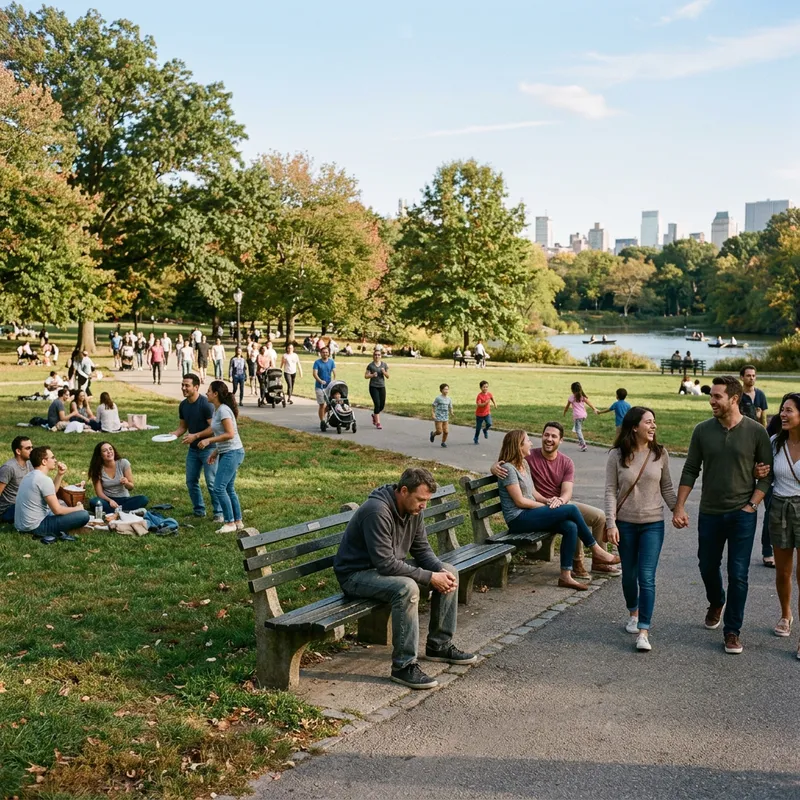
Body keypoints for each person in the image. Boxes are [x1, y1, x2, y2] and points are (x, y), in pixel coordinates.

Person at [334, 467, 476, 689]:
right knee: (407, 588)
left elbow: (422, 550)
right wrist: (430, 578)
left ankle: (439, 645)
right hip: (356, 575)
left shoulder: (413, 511)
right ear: (403, 491)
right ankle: (403, 666)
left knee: (450, 570)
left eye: (426, 500)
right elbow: (386, 563)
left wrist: (439, 570)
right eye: (420, 499)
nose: (423, 505)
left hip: (383, 571)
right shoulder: (377, 511)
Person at [672, 375, 773, 655]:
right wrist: (679, 506)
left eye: (717, 396)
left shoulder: (756, 432)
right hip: (710, 513)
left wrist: (751, 505)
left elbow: (766, 476)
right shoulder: (702, 430)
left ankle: (732, 631)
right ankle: (716, 600)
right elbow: (691, 469)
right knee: (706, 565)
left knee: (738, 574)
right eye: (711, 395)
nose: (711, 400)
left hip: (743, 514)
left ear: (734, 399)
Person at [490, 421, 621, 578]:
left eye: (553, 436)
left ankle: (575, 572)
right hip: (527, 513)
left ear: (561, 440)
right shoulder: (523, 461)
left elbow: (556, 492)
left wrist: (552, 501)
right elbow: (517, 495)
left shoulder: (535, 462)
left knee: (582, 521)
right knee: (572, 511)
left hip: (551, 505)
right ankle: (590, 554)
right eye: (546, 435)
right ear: (520, 445)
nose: (548, 439)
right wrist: (493, 467)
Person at [604, 407, 679, 652]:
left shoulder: (660, 454)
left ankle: (644, 631)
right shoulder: (617, 455)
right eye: (649, 422)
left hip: (652, 524)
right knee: (629, 576)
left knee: (646, 577)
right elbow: (610, 491)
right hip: (625, 524)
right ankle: (633, 613)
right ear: (635, 427)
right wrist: (611, 523)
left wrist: (677, 510)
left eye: (654, 422)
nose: (653, 426)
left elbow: (667, 487)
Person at [767, 392, 800, 649]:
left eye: (789, 410)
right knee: (783, 571)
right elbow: (764, 472)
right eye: (782, 409)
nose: (783, 414)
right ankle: (786, 614)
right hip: (779, 507)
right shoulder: (775, 442)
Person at [169, 373, 223, 522]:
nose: (183, 388)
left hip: (209, 448)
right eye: (182, 385)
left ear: (196, 387)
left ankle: (219, 512)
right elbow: (182, 428)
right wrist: (173, 435)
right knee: (191, 481)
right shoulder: (183, 405)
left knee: (211, 482)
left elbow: (213, 428)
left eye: (187, 385)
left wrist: (196, 436)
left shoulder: (205, 404)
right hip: (193, 450)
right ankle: (199, 510)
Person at [197, 381, 245, 534]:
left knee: (219, 488)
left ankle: (229, 523)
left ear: (216, 394)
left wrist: (208, 440)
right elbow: (221, 433)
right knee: (229, 488)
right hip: (227, 451)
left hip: (233, 452)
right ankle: (237, 521)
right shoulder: (217, 410)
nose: (207, 393)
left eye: (209, 391)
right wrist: (215, 451)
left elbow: (230, 434)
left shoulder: (224, 411)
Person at [14, 446, 89, 544]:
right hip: (35, 527)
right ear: (44, 461)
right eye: (52, 457)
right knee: (84, 515)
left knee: (63, 506)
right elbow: (57, 510)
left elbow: (51, 491)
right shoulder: (44, 480)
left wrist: (60, 474)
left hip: (22, 525)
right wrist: (77, 508)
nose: (55, 460)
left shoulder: (30, 475)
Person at [87, 441, 149, 514]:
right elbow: (99, 493)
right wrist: (110, 501)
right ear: (100, 455)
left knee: (143, 499)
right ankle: (125, 512)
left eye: (110, 449)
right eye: (105, 451)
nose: (109, 452)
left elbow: (131, 487)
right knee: (94, 501)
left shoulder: (123, 463)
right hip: (108, 500)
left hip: (124, 499)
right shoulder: (97, 469)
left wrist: (126, 483)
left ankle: (114, 512)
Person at [0, 436, 34, 523]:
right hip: (8, 509)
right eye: (28, 448)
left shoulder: (29, 464)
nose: (32, 450)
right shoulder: (9, 468)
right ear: (18, 451)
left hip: (24, 503)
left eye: (32, 447)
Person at [563, 381, 597, 452]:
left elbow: (567, 407)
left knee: (578, 430)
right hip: (583, 415)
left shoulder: (571, 397)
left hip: (578, 416)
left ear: (572, 390)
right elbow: (589, 403)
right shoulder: (582, 396)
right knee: (578, 428)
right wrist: (594, 409)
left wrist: (564, 412)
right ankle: (580, 440)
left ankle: (583, 444)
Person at [365, 349, 389, 429]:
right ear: (373, 356)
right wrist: (372, 375)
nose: (377, 356)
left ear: (381, 356)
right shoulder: (370, 365)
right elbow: (366, 376)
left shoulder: (384, 365)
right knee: (377, 404)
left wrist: (384, 372)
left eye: (378, 355)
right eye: (375, 355)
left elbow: (388, 376)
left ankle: (374, 415)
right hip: (373, 386)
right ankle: (378, 423)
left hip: (382, 386)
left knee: (382, 405)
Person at [313, 347, 336, 424]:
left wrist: (334, 380)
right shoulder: (317, 363)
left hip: (329, 386)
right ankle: (322, 421)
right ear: (321, 353)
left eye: (326, 352)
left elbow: (334, 372)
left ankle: (323, 415)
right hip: (320, 387)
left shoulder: (331, 362)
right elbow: (314, 374)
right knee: (322, 405)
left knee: (331, 404)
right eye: (323, 352)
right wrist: (320, 381)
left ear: (329, 353)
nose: (325, 354)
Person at [430, 383, 454, 448]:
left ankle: (443, 442)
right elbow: (433, 406)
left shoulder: (449, 399)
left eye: (447, 389)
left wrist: (451, 412)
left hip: (446, 417)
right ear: (441, 390)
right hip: (438, 417)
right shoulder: (438, 398)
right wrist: (433, 414)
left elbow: (450, 406)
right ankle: (433, 434)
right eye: (445, 389)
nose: (446, 391)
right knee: (439, 431)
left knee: (446, 431)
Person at [473, 380, 497, 444]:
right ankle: (476, 437)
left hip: (487, 413)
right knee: (478, 428)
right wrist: (485, 403)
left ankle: (485, 430)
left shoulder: (489, 394)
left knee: (489, 423)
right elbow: (479, 404)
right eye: (484, 387)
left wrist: (495, 404)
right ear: (481, 388)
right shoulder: (479, 396)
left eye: (486, 387)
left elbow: (492, 398)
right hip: (479, 414)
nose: (485, 388)